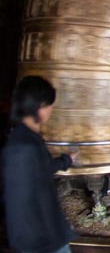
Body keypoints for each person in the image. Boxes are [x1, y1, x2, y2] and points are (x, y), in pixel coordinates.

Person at [2, 76, 78, 253]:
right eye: (49, 104)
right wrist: (50, 238)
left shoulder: (29, 139)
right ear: (40, 106)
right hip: (41, 241)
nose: (51, 109)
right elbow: (21, 201)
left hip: (48, 235)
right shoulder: (22, 147)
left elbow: (42, 168)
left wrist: (67, 160)